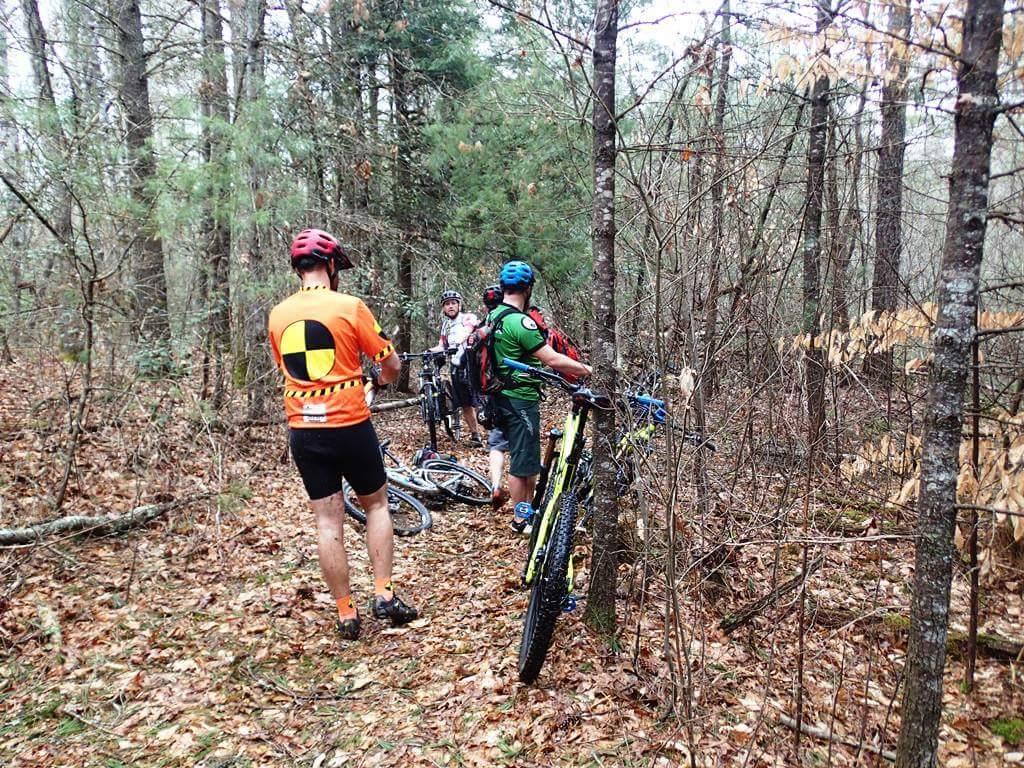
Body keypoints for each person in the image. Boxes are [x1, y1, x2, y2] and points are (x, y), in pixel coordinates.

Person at [268, 228, 418, 641]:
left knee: (326, 521)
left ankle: (345, 613)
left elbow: (288, 364)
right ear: (331, 266)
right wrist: (380, 383)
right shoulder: (350, 307)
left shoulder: (278, 314)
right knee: (376, 505)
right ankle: (384, 595)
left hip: (303, 429)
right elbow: (391, 366)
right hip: (350, 423)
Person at [487, 261, 591, 532]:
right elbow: (553, 359)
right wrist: (589, 369)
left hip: (500, 396)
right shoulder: (520, 322)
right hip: (519, 399)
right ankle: (521, 520)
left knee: (521, 459)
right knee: (524, 464)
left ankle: (526, 513)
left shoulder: (494, 315)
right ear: (528, 288)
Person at [434, 290, 482, 446]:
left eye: (453, 303)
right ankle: (476, 436)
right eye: (447, 304)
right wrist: (429, 351)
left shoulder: (467, 318)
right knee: (465, 403)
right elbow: (442, 346)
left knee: (481, 400)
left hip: (472, 364)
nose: (450, 306)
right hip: (456, 366)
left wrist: (459, 340)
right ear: (443, 308)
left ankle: (495, 433)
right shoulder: (445, 326)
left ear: (459, 305)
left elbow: (468, 331)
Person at [480, 285, 511, 511]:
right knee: (520, 446)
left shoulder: (483, 326)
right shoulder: (513, 321)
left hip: (491, 392)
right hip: (516, 391)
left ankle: (495, 485)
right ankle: (523, 507)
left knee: (497, 443)